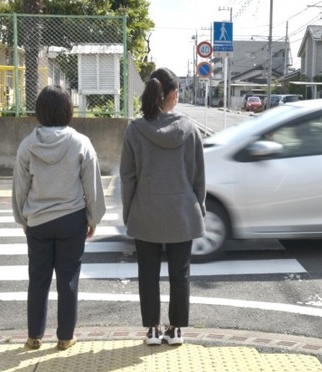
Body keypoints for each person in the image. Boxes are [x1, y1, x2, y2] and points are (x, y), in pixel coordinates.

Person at [12, 85, 106, 351]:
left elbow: (20, 187)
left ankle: (34, 337)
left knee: (38, 278)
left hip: (38, 221)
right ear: (68, 110)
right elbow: (92, 186)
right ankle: (65, 337)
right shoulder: (80, 143)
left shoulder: (28, 145)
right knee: (68, 279)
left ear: (39, 111)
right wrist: (93, 218)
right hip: (71, 220)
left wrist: (23, 219)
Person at [120, 67, 206, 346]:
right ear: (172, 95)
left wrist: (128, 211)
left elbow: (128, 177)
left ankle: (153, 331)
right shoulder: (190, 129)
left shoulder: (135, 129)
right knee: (180, 273)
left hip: (146, 211)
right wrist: (200, 207)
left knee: (148, 273)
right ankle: (177, 329)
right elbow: (198, 176)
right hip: (182, 211)